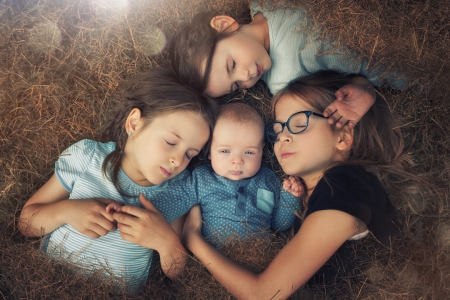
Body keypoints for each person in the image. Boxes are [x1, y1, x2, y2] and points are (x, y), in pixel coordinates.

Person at [154, 70, 428, 299]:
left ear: (343, 138)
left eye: (299, 123)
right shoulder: (304, 196)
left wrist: (193, 237)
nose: (283, 136)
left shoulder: (346, 184)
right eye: (278, 128)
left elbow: (263, 295)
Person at [18, 68, 218, 291]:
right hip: (47, 284)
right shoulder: (87, 157)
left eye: (190, 154)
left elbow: (181, 276)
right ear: (134, 123)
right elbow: (26, 223)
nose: (177, 160)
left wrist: (166, 242)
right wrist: (66, 211)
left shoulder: (176, 190)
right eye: (171, 142)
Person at [169, 0, 406, 128]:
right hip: (400, 58)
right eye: (236, 86)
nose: (247, 75)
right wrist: (364, 90)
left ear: (223, 25)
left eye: (232, 65)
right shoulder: (283, 84)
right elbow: (344, 83)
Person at [190, 102, 300, 246]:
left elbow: (279, 225)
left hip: (259, 261)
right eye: (225, 151)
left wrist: (289, 198)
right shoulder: (201, 179)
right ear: (209, 151)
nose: (237, 161)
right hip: (211, 260)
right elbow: (175, 200)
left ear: (262, 150)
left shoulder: (268, 181)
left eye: (249, 152)